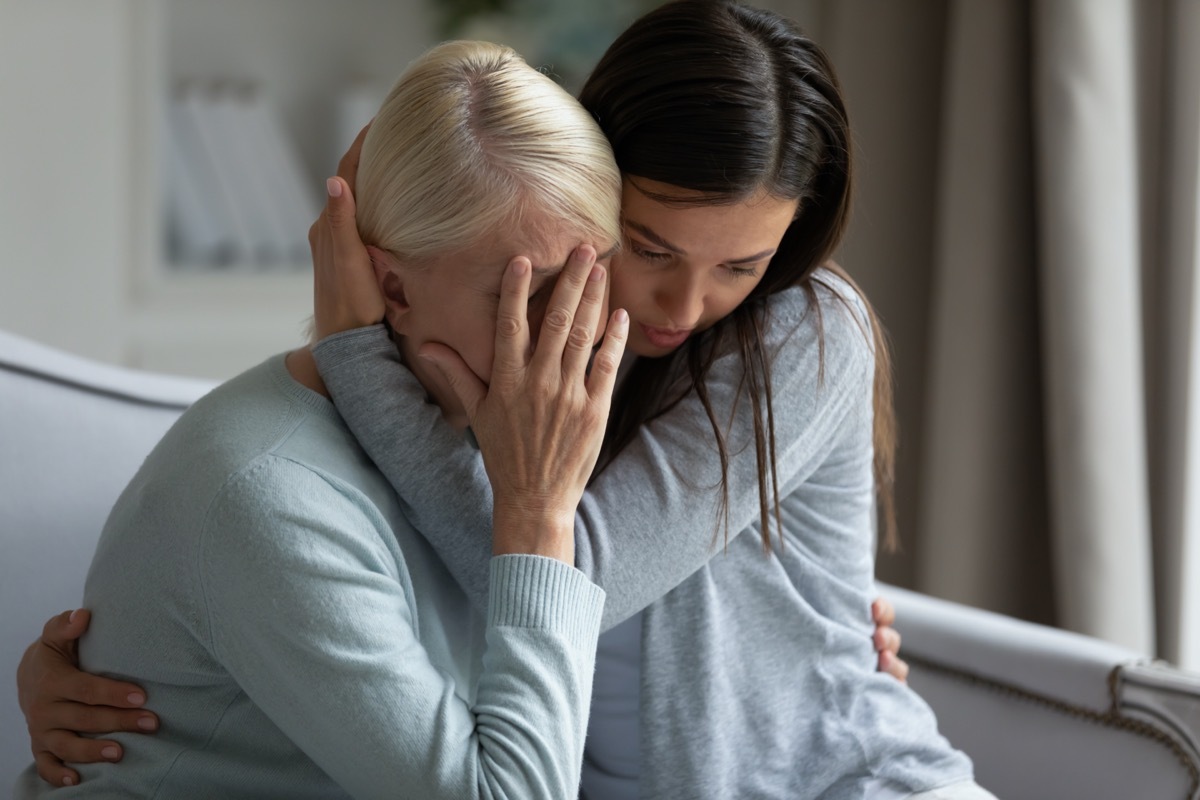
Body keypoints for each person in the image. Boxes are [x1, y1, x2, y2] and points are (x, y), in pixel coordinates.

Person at [17, 1, 925, 797]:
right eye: (646, 248)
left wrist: (356, 352)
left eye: (742, 265)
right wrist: (127, 664)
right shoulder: (508, 358)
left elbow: (560, 576)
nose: (682, 309)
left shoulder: (794, 332)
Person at [12, 39, 630, 799]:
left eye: (592, 282)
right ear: (392, 291)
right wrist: (537, 512)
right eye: (533, 298)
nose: (583, 333)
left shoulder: (494, 425)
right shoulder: (263, 494)